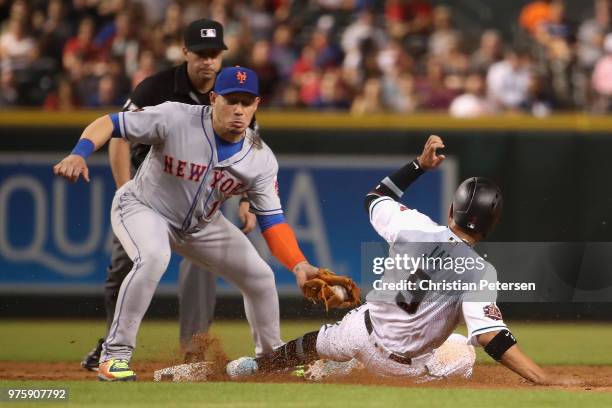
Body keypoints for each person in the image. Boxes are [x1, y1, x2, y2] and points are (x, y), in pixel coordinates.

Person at [226, 135, 573, 386]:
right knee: (463, 352)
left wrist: (419, 165)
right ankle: (340, 369)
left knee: (315, 342)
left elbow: (375, 196)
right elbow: (491, 338)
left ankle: (253, 366)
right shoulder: (480, 272)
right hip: (400, 369)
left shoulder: (413, 225)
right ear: (491, 227)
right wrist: (542, 378)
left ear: (453, 210)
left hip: (360, 332)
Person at [54, 66, 320, 381]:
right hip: (143, 208)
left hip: (201, 226)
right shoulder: (175, 117)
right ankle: (114, 358)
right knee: (153, 257)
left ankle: (272, 358)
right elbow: (109, 124)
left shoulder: (260, 157)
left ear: (256, 105)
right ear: (213, 98)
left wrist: (299, 265)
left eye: (246, 102)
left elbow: (273, 222)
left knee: (260, 276)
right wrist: (79, 153)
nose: (238, 109)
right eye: (230, 100)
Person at [79, 18, 256, 371]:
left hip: (198, 198)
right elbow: (118, 136)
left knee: (204, 264)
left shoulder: (233, 96)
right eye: (201, 53)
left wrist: (248, 201)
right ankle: (112, 344)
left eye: (214, 53)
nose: (208, 60)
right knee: (125, 265)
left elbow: (248, 155)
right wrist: (125, 190)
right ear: (185, 51)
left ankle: (193, 350)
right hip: (151, 191)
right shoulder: (156, 89)